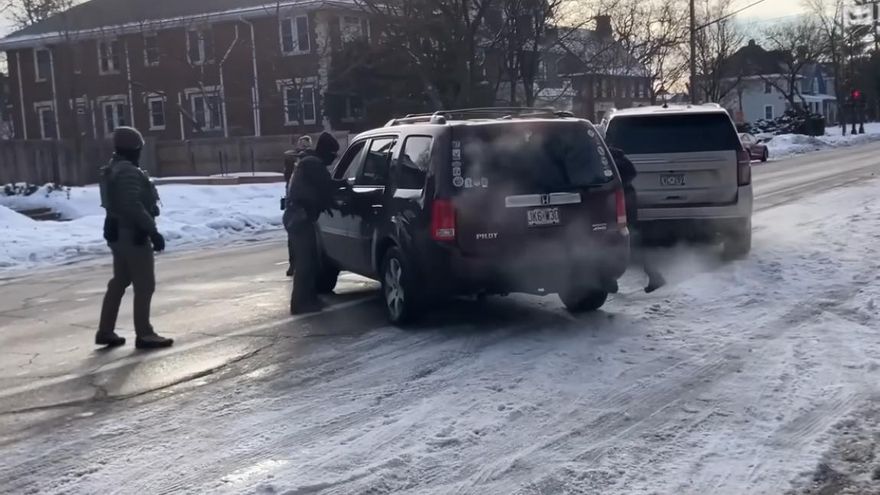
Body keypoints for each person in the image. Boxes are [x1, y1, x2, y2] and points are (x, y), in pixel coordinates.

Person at [96, 126, 174, 349]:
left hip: (116, 231)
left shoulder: (113, 169)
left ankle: (106, 330)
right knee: (144, 284)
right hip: (133, 233)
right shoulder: (128, 172)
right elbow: (132, 205)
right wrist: (152, 230)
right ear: (134, 149)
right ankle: (144, 333)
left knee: (119, 281)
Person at [284, 132, 345, 315]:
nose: (333, 159)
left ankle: (308, 300)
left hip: (299, 216)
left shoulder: (310, 162)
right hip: (299, 217)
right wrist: (344, 188)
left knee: (309, 260)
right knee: (305, 263)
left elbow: (323, 189)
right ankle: (300, 304)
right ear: (326, 152)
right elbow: (326, 187)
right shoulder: (313, 164)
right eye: (333, 155)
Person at [610, 146, 666, 293]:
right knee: (625, 242)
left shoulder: (609, 159)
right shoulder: (619, 158)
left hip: (620, 201)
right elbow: (632, 173)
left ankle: (609, 281)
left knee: (623, 242)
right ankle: (609, 280)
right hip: (625, 199)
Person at [282, 136, 313, 276]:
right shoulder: (292, 163)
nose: (303, 149)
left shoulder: (311, 163)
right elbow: (287, 170)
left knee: (305, 237)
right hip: (292, 204)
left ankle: (303, 263)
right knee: (293, 237)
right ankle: (293, 263)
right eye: (301, 146)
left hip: (304, 204)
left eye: (306, 146)